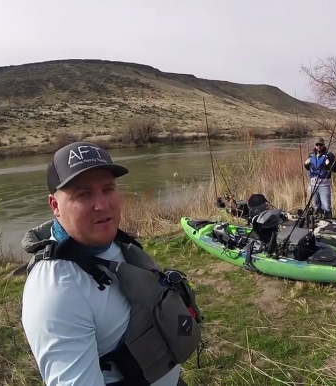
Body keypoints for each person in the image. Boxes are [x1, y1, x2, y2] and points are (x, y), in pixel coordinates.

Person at [20, 141, 201, 386]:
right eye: (84, 194)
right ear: (55, 205)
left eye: (108, 189)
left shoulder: (111, 239)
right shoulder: (56, 292)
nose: (102, 205)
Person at [303, 138, 336, 218]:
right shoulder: (311, 155)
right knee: (316, 205)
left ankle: (329, 222)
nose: (319, 146)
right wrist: (305, 164)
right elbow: (310, 168)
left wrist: (329, 164)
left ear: (323, 145)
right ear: (315, 145)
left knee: (326, 206)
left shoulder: (329, 155)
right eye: (317, 145)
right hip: (313, 184)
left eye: (320, 145)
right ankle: (318, 220)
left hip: (324, 184)